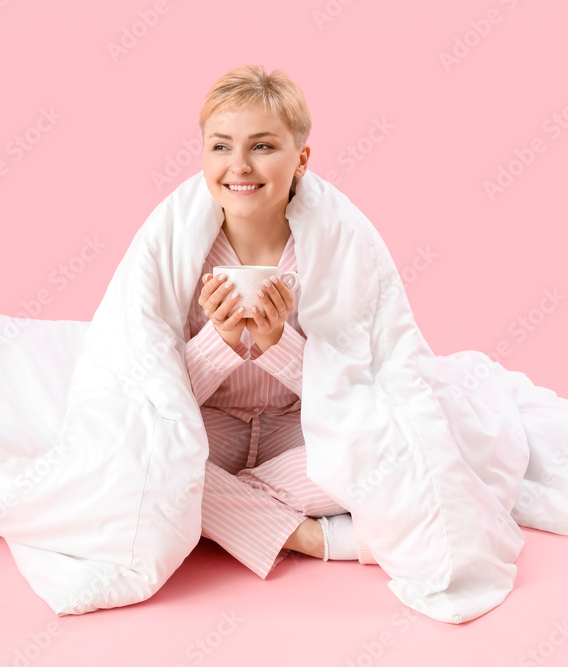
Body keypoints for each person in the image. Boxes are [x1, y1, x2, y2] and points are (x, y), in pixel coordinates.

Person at [184, 64, 375, 579]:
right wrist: (218, 342)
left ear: (301, 160)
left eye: (263, 147)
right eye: (221, 147)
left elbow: (350, 389)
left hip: (300, 428)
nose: (239, 166)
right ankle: (313, 537)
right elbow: (161, 394)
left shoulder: (327, 251)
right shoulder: (182, 252)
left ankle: (227, 513)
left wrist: (277, 343)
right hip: (211, 425)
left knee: (378, 457)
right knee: (149, 461)